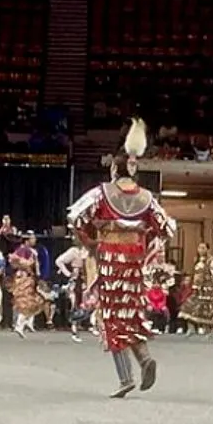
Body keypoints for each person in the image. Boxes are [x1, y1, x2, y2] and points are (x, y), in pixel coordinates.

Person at [68, 117, 176, 398]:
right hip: (134, 264)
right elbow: (167, 228)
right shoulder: (147, 198)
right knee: (132, 313)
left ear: (114, 169)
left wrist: (92, 242)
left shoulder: (101, 193)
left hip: (109, 260)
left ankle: (125, 377)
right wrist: (145, 242)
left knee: (111, 316)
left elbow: (75, 217)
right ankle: (144, 358)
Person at [55, 238, 98, 342]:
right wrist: (68, 274)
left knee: (94, 303)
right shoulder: (74, 251)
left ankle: (93, 324)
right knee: (76, 304)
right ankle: (75, 331)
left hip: (89, 280)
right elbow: (59, 261)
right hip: (78, 281)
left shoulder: (93, 252)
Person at [9, 231, 45, 338]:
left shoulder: (32, 251)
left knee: (32, 301)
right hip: (23, 278)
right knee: (26, 301)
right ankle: (19, 324)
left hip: (29, 278)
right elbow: (14, 261)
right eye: (32, 238)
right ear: (27, 240)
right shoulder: (22, 250)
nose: (34, 240)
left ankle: (25, 323)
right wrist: (26, 264)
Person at [178, 242, 213, 335]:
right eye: (199, 247)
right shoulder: (196, 260)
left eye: (203, 248)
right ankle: (191, 327)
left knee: (206, 308)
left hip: (207, 288)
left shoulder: (211, 261)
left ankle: (206, 328)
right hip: (196, 288)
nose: (201, 250)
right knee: (189, 306)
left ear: (208, 249)